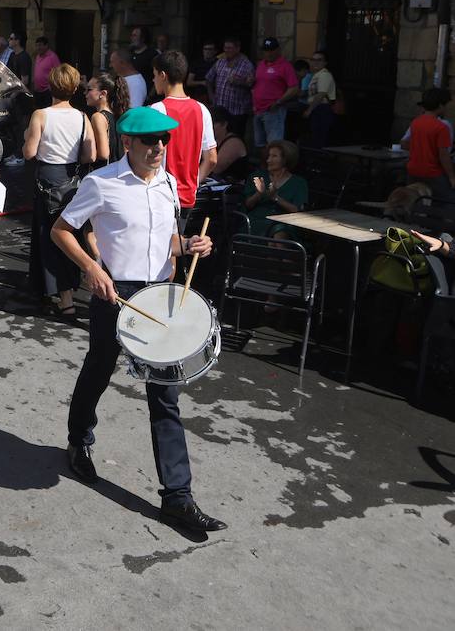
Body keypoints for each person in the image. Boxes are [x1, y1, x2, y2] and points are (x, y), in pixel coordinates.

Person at [52, 107, 225, 533]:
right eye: (150, 142)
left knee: (165, 394)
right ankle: (79, 440)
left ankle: (177, 496)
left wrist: (190, 244)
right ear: (128, 142)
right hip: (116, 292)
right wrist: (92, 269)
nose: (159, 148)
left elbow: (164, 241)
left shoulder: (169, 183)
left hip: (161, 295)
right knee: (98, 369)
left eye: (164, 141)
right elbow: (61, 229)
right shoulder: (102, 183)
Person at [24, 63, 94, 315]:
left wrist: (26, 140)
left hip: (46, 178)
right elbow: (90, 154)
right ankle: (62, 294)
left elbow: (30, 152)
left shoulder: (41, 115)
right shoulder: (83, 117)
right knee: (68, 236)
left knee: (48, 236)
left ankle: (63, 299)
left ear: (50, 86)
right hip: (72, 180)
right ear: (75, 88)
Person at [149, 50, 216, 209]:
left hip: (160, 196)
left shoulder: (157, 110)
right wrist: (194, 183)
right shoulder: (202, 109)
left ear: (163, 75)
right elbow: (212, 158)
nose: (153, 80)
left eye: (154, 75)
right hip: (188, 197)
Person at [243, 140, 309, 236]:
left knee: (279, 231)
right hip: (257, 220)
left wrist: (275, 198)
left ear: (285, 159)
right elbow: (248, 205)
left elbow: (296, 210)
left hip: (284, 222)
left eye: (274, 156)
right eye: (268, 156)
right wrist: (259, 194)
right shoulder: (257, 177)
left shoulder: (299, 183)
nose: (268, 160)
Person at [402, 88, 455, 201]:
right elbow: (443, 156)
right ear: (440, 105)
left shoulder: (416, 122)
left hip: (413, 171)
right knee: (446, 201)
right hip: (432, 173)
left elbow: (405, 143)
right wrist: (451, 177)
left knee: (414, 202)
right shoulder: (442, 127)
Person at [251, 38, 299, 149]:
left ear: (278, 50)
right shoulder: (261, 65)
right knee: (260, 144)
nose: (269, 53)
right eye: (266, 50)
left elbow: (294, 88)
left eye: (272, 50)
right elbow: (257, 85)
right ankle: (263, 165)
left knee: (274, 144)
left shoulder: (285, 66)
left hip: (274, 110)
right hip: (258, 109)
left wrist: (278, 102)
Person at [205, 37, 254, 136]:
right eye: (225, 47)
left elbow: (251, 84)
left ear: (237, 48)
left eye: (230, 48)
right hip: (220, 109)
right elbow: (208, 79)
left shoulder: (247, 65)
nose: (226, 50)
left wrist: (241, 81)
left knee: (236, 136)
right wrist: (211, 97)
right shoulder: (220, 62)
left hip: (237, 111)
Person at [84, 71, 129, 167]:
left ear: (103, 93)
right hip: (120, 169)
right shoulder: (120, 114)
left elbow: (104, 154)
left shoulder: (98, 117)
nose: (85, 93)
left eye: (89, 89)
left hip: (105, 172)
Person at [304, 50, 337, 147]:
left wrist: (309, 110)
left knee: (320, 138)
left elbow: (321, 94)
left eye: (319, 60)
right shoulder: (317, 75)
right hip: (317, 108)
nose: (315, 62)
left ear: (325, 62)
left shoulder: (324, 75)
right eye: (313, 59)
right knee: (316, 137)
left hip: (322, 108)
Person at [209, 105, 250, 182]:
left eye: (212, 124)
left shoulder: (234, 142)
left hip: (233, 188)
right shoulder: (215, 141)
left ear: (224, 124)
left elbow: (216, 168)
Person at [31, 36, 61, 109]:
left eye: (40, 45)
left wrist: (51, 87)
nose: (38, 48)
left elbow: (58, 72)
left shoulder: (52, 57)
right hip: (37, 91)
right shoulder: (38, 56)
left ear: (46, 45)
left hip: (47, 92)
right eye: (37, 45)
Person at [128, 26, 158, 90]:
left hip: (146, 93)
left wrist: (151, 95)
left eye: (135, 35)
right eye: (132, 35)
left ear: (142, 38)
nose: (132, 38)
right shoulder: (129, 53)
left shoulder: (152, 54)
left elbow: (157, 75)